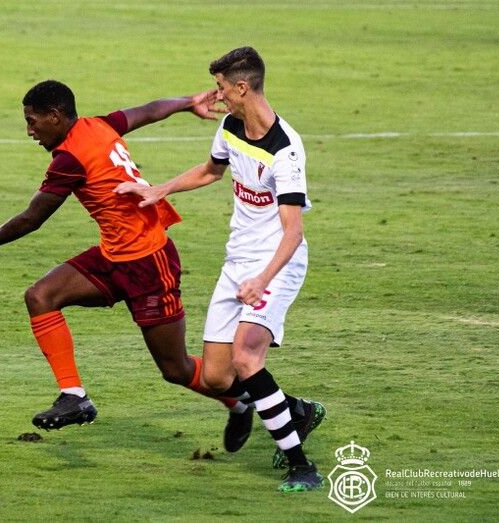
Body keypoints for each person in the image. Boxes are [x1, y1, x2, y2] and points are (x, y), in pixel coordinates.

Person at [0, 80, 247, 439]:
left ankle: (251, 401)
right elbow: (149, 111)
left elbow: (33, 218)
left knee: (176, 369)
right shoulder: (98, 124)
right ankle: (74, 396)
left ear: (55, 117)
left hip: (149, 263)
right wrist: (187, 102)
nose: (29, 131)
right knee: (41, 296)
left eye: (32, 121)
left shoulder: (69, 159)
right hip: (113, 256)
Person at [115, 47, 325, 492]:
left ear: (242, 87)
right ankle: (295, 410)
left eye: (222, 88)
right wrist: (160, 189)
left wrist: (262, 280)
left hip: (275, 264)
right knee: (216, 376)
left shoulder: (285, 152)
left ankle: (301, 467)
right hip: (238, 262)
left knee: (247, 359)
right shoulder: (231, 126)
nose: (217, 96)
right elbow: (212, 170)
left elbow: (292, 233)